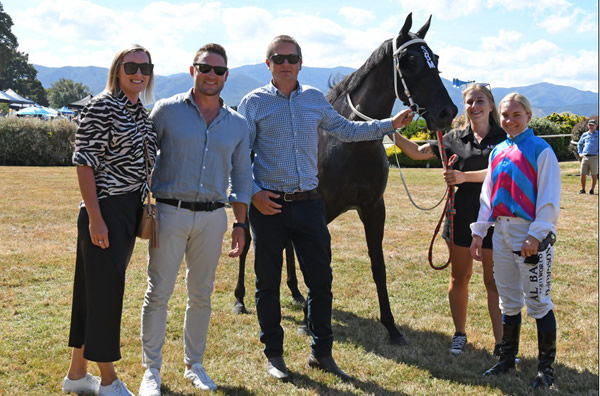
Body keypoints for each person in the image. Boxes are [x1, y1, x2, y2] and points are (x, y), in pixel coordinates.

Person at [237, 34, 413, 381]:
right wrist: (254, 192)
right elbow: (239, 155)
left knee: (321, 282)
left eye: (291, 58)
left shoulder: (315, 100)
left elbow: (346, 130)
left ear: (300, 63)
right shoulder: (253, 103)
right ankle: (274, 354)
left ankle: (322, 352)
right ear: (267, 63)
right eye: (278, 58)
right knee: (267, 284)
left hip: (308, 205)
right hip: (269, 206)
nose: (285, 64)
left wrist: (388, 126)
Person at [138, 43, 251, 395]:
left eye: (218, 70)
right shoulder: (166, 111)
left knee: (201, 295)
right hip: (169, 212)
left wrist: (240, 223)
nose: (211, 75)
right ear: (192, 70)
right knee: (159, 292)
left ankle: (194, 365)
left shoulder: (237, 124)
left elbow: (242, 176)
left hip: (213, 218)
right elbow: (142, 154)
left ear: (226, 76)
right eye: (205, 68)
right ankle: (151, 371)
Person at [63, 44, 158, 396]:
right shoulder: (103, 106)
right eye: (131, 66)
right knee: (106, 294)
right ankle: (108, 380)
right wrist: (95, 218)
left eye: (145, 67)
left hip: (129, 209)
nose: (138, 73)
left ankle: (76, 374)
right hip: (105, 208)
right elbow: (84, 162)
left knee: (92, 292)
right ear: (118, 69)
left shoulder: (139, 111)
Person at [392, 83, 505, 356]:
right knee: (459, 278)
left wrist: (465, 177)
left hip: (496, 220)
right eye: (469, 101)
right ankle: (459, 333)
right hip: (460, 217)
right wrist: (390, 132)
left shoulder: (505, 139)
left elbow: (498, 172)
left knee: (494, 283)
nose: (474, 107)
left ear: (490, 105)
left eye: (480, 101)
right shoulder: (452, 138)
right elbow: (418, 152)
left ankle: (502, 343)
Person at [470, 93, 560, 389]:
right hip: (502, 233)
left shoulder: (541, 150)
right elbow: (488, 195)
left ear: (529, 117)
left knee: (537, 300)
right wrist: (479, 232)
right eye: (505, 115)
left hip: (530, 236)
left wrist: (536, 235)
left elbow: (548, 197)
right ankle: (507, 360)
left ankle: (546, 368)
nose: (509, 120)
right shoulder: (498, 151)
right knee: (508, 299)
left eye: (516, 115)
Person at [577, 119, 598, 194]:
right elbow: (579, 144)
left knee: (594, 174)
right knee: (582, 174)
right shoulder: (585, 134)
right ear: (588, 126)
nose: (591, 126)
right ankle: (583, 189)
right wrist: (580, 153)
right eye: (590, 125)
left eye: (592, 125)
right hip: (585, 157)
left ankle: (592, 190)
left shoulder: (598, 134)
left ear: (596, 126)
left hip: (595, 157)